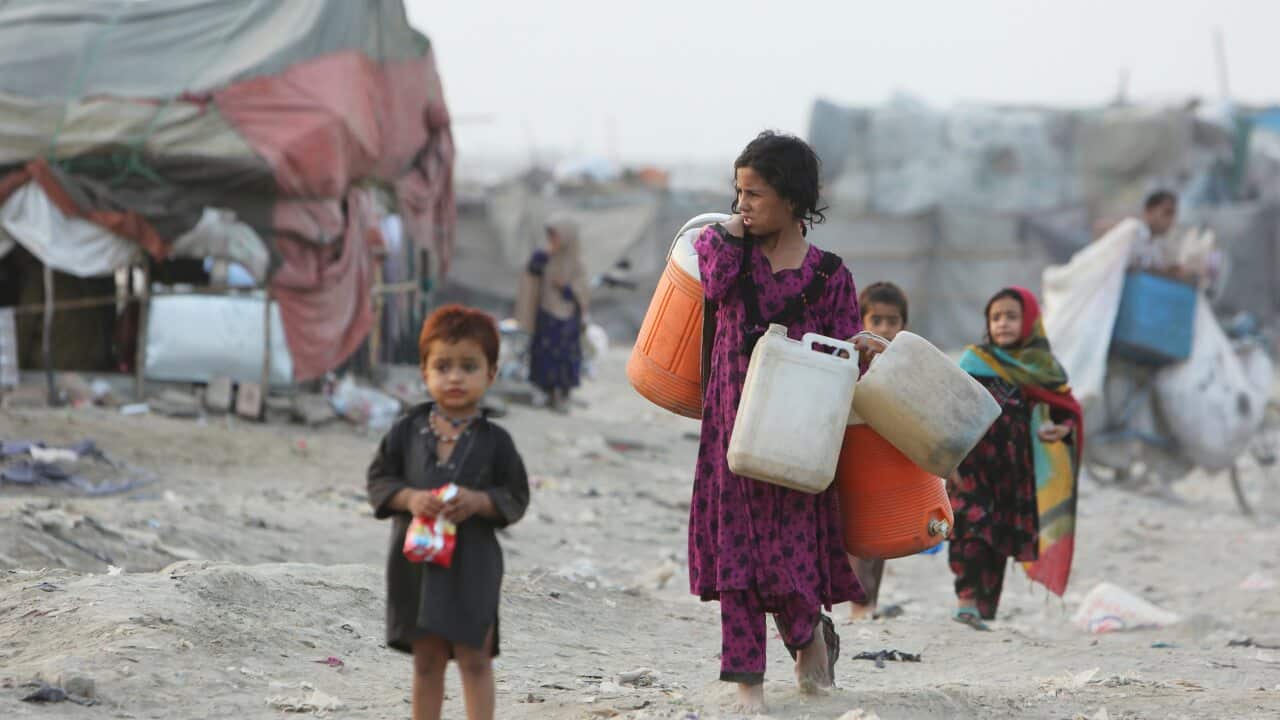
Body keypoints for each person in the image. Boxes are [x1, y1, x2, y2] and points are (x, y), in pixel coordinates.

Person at [690, 130, 883, 714]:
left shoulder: (830, 275)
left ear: (793, 201)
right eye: (737, 192)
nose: (742, 205)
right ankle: (748, 684)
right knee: (737, 559)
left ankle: (810, 642)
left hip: (798, 435)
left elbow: (840, 350)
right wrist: (725, 231)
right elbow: (714, 282)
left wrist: (862, 345)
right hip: (732, 428)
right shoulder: (726, 251)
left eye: (755, 194)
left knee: (790, 557)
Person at [366, 305, 530, 720]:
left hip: (473, 564)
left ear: (491, 373)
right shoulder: (406, 431)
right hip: (416, 566)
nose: (455, 377)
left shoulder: (496, 441)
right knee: (427, 662)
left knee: (475, 659)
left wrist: (479, 502)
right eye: (443, 365)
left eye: (469, 366)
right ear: (424, 371)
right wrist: (409, 499)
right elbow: (379, 480)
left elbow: (515, 495)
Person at [950, 287, 1083, 630]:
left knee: (997, 539)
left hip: (1013, 472)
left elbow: (1067, 411)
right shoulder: (974, 360)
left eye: (1011, 316)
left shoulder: (1042, 368)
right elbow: (949, 406)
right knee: (970, 530)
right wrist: (944, 462)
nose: (1003, 324)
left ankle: (983, 607)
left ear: (1030, 322)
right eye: (996, 318)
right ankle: (966, 600)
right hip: (971, 465)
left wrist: (1063, 430)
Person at [846, 281, 909, 622]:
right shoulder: (852, 358)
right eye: (877, 320)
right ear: (861, 321)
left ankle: (867, 603)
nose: (884, 329)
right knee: (854, 533)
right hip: (854, 457)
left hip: (888, 459)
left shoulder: (907, 362)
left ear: (904, 326)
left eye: (893, 321)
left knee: (880, 537)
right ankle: (857, 602)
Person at [521, 217, 589, 412]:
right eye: (551, 236)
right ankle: (545, 392)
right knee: (544, 353)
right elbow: (532, 269)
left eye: (556, 236)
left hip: (567, 318)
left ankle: (562, 394)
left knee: (565, 356)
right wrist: (547, 252)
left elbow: (582, 292)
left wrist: (566, 287)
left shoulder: (576, 263)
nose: (553, 240)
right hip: (546, 312)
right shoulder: (545, 257)